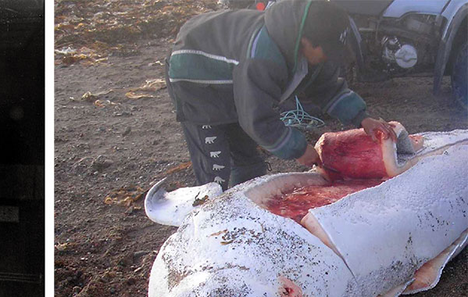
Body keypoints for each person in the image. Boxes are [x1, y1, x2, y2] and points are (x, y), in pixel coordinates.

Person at [166, 0, 396, 190]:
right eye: (326, 50)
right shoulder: (263, 56)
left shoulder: (310, 50)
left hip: (236, 84)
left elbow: (327, 88)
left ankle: (244, 220)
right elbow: (257, 117)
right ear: (306, 41)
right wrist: (298, 149)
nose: (329, 57)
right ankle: (204, 222)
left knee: (248, 162)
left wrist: (361, 118)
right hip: (195, 79)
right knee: (215, 171)